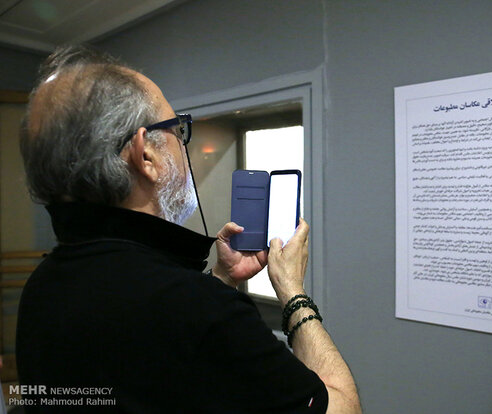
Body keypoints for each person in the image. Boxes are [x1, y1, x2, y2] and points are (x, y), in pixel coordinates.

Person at [15, 45, 361, 413]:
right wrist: (293, 294)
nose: (184, 144)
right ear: (144, 155)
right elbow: (345, 408)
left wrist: (221, 278)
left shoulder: (42, 287)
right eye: (177, 130)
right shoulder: (201, 311)